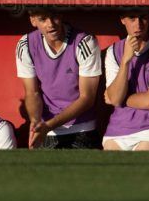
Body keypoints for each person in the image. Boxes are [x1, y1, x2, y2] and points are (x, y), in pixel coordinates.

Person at [16, 8, 103, 149]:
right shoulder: (25, 45)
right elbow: (32, 92)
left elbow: (87, 98)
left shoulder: (85, 41)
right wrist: (36, 122)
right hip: (47, 130)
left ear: (61, 15)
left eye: (54, 16)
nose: (50, 24)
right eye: (43, 19)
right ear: (33, 20)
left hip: (82, 128)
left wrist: (49, 126)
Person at [103, 11, 149, 151]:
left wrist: (120, 99)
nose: (138, 24)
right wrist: (125, 61)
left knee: (141, 163)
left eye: (143, 17)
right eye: (132, 17)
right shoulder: (113, 51)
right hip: (117, 129)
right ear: (123, 19)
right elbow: (114, 98)